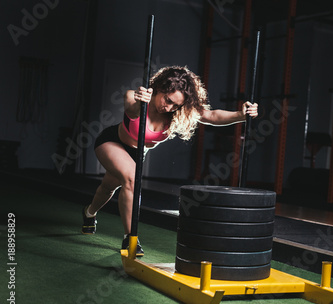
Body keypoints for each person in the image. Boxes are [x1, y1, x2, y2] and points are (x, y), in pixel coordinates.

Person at [81, 65, 258, 256]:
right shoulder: (138, 98)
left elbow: (211, 116)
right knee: (132, 179)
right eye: (168, 100)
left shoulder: (176, 112)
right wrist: (140, 102)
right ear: (159, 87)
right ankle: (130, 238)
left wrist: (241, 116)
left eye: (176, 105)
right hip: (112, 142)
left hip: (136, 154)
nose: (169, 107)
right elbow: (131, 109)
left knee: (107, 187)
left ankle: (89, 213)